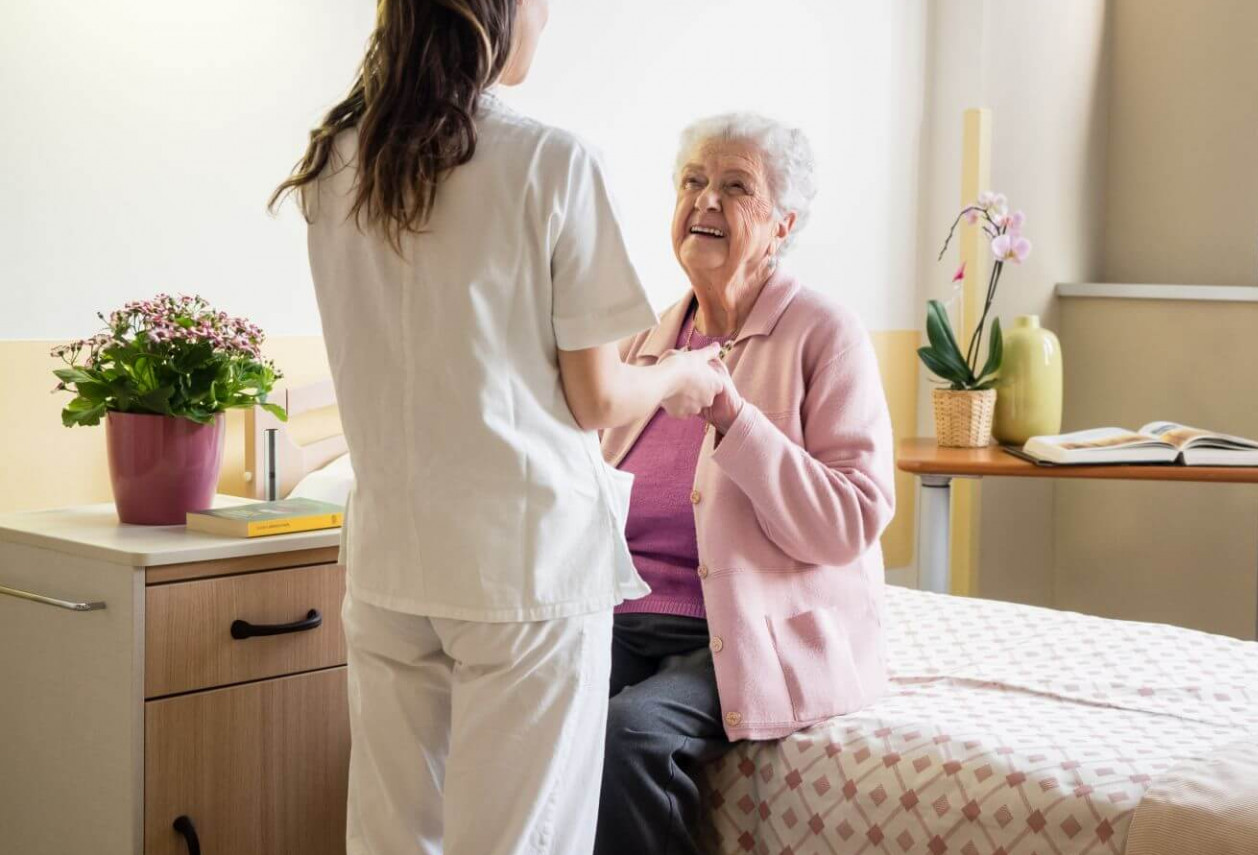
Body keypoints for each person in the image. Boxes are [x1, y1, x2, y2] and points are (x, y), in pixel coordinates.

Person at [269, 2, 722, 852]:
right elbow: (594, 398)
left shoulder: (337, 160)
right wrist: (685, 373)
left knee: (394, 837)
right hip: (524, 568)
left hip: (394, 564)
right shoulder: (550, 161)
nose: (548, 26)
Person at [595, 113, 896, 855]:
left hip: (748, 627)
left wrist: (734, 417)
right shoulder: (643, 340)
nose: (705, 200)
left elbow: (853, 516)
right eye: (693, 182)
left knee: (628, 734)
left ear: (782, 223)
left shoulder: (825, 333)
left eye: (735, 187)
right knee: (523, 705)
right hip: (624, 619)